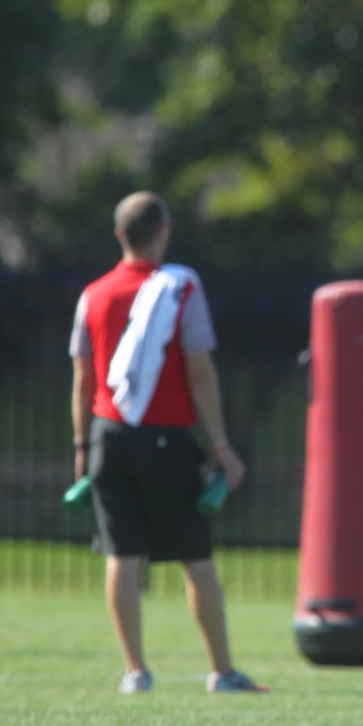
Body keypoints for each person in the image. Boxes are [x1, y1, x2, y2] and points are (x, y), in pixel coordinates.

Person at [69, 191, 265, 695]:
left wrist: (81, 449)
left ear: (119, 236)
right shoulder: (180, 288)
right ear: (163, 231)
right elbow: (199, 369)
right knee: (195, 558)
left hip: (107, 437)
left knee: (122, 554)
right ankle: (222, 672)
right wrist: (221, 447)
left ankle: (136, 671)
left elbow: (83, 381)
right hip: (165, 440)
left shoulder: (92, 295)